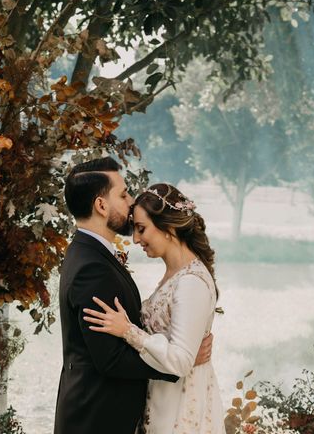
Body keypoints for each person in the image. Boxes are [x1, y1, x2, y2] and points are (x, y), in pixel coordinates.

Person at [54, 158, 212, 434]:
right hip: (98, 418)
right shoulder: (92, 268)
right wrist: (178, 362)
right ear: (101, 206)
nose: (130, 202)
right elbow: (110, 359)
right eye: (123, 194)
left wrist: (173, 353)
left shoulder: (88, 253)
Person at [83, 183, 225, 433]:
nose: (136, 239)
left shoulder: (191, 282)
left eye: (141, 229)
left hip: (179, 407)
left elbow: (180, 361)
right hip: (160, 398)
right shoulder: (175, 275)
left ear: (168, 227)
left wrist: (128, 331)